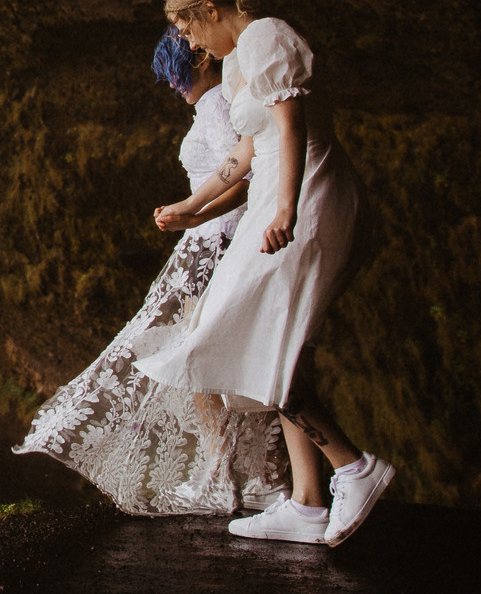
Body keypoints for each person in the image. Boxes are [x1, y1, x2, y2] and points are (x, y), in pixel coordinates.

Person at [137, 0, 395, 546]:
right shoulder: (234, 64)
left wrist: (287, 208)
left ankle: (354, 467)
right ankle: (305, 503)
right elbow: (246, 152)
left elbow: (291, 126)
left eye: (187, 28)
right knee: (269, 338)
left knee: (249, 336)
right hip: (270, 196)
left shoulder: (265, 37)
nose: (191, 45)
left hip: (305, 192)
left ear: (209, 8)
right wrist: (192, 206)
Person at [15, 26, 288, 515]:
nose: (171, 85)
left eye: (175, 73)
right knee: (196, 358)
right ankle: (239, 472)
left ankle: (234, 473)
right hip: (206, 241)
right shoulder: (216, 105)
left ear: (201, 60)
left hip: (216, 243)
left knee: (193, 359)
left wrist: (193, 215)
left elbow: (244, 177)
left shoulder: (220, 106)